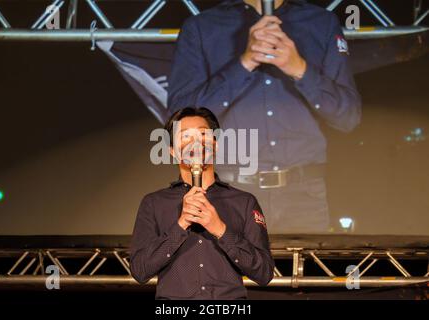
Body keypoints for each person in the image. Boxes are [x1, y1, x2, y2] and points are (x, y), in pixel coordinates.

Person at [167, 0, 362, 233]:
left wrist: (299, 68)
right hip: (229, 194)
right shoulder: (202, 27)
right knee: (225, 270)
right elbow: (180, 121)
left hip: (303, 195)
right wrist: (245, 62)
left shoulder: (321, 22)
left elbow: (349, 117)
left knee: (302, 270)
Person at [130, 107, 275, 299]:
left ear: (215, 144)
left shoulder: (244, 202)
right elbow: (140, 271)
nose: (196, 143)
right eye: (186, 136)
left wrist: (221, 230)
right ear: (172, 151)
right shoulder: (154, 203)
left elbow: (264, 273)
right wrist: (180, 225)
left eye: (203, 134)